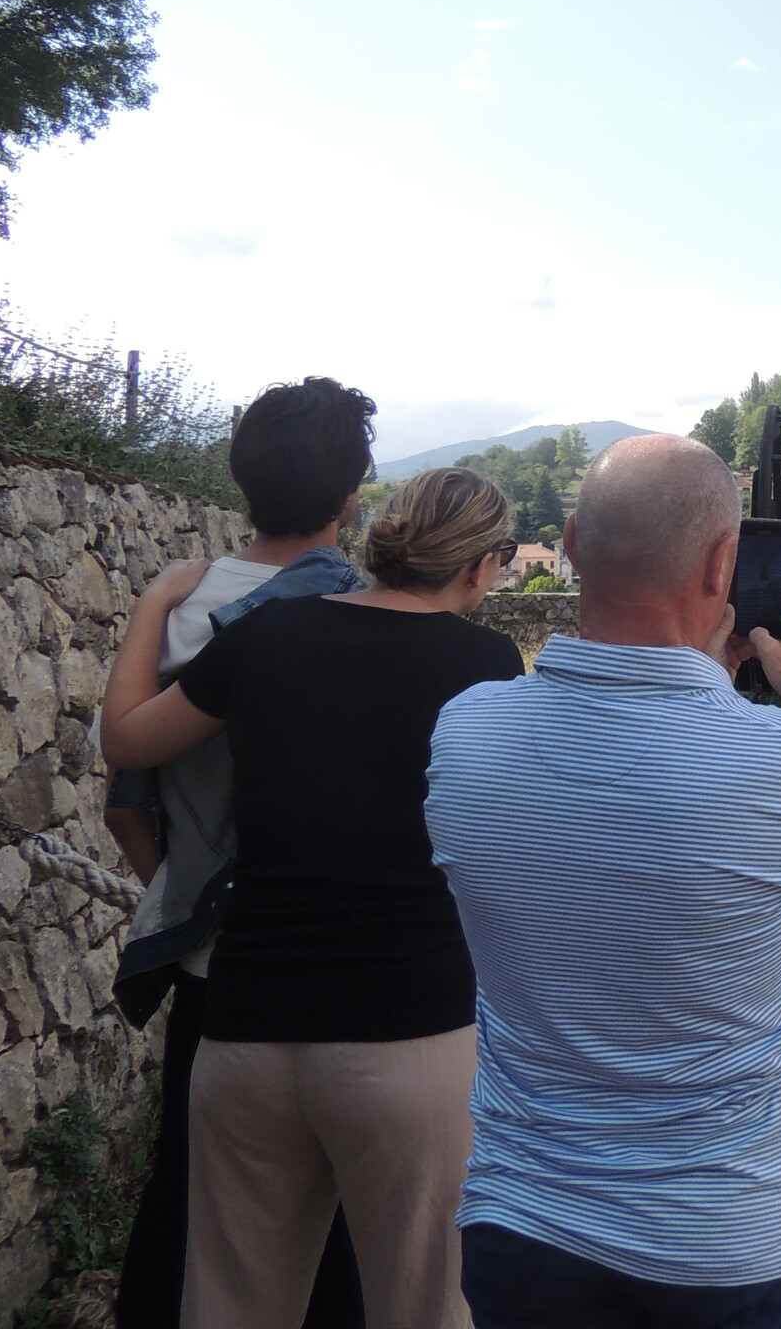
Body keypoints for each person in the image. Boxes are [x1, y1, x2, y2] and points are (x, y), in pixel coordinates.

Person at [426, 434, 781, 1329]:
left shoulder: (467, 732)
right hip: (731, 1233)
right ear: (723, 566)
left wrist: (702, 687)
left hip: (525, 1225)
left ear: (572, 543)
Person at [101, 466, 527, 1329]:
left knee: (229, 1308)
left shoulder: (270, 634)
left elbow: (128, 741)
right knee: (426, 1308)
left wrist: (154, 600)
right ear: (482, 565)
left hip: (246, 1033)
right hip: (410, 1034)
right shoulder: (485, 664)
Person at [105, 377, 377, 1329]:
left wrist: (185, 898)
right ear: (352, 496)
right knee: (339, 1234)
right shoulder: (374, 613)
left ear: (241, 480)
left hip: (214, 972)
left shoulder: (183, 608)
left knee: (187, 1216)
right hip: (348, 969)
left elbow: (126, 796)